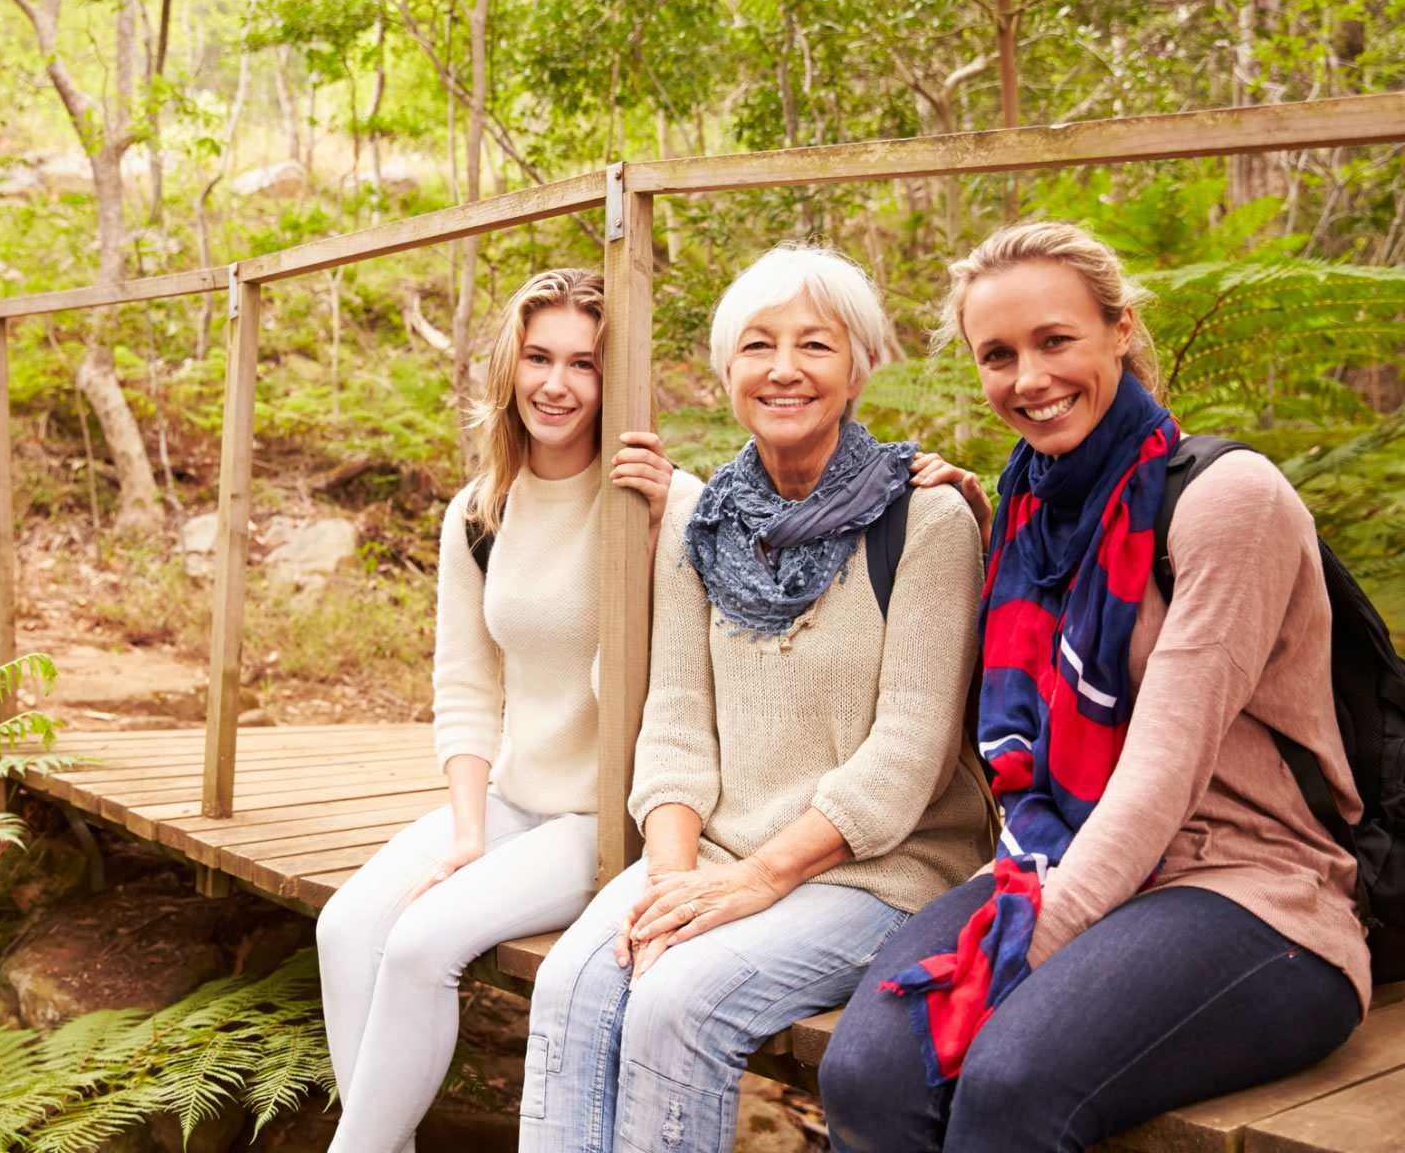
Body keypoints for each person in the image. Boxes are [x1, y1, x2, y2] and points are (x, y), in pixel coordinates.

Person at [818, 221, 1370, 1153]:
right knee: (866, 1071)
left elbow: (1163, 771)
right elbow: (1007, 715)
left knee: (1009, 1084)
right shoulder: (1035, 510)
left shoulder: (1231, 501)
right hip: (1054, 854)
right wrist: (973, 525)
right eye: (998, 356)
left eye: (1055, 341)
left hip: (1255, 892)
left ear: (1120, 330)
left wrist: (1020, 952)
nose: (1028, 379)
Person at [518, 244, 993, 1153]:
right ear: (727, 369)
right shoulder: (702, 524)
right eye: (757, 346)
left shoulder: (925, 519)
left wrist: (753, 881)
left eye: (815, 346)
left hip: (877, 872)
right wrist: (670, 882)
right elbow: (675, 726)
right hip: (712, 857)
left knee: (676, 1004)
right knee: (574, 984)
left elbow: (907, 757)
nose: (784, 370)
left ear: (859, 368)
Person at [315, 267, 696, 1153]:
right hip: (517, 795)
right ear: (509, 367)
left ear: (615, 380)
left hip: (610, 815)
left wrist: (639, 547)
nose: (556, 384)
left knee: (419, 947)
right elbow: (466, 687)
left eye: (584, 364)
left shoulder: (665, 501)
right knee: (347, 928)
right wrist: (465, 830)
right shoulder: (479, 514)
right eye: (538, 358)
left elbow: (646, 695)